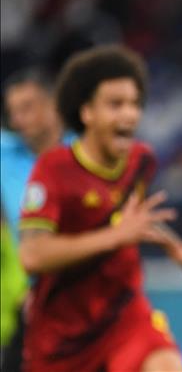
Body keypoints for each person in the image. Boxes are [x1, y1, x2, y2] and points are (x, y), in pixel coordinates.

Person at [18, 44, 182, 372]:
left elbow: (132, 218)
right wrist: (115, 236)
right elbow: (32, 255)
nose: (129, 115)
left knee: (166, 364)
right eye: (115, 104)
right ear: (86, 112)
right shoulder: (53, 170)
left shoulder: (141, 160)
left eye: (135, 104)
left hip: (124, 314)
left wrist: (179, 251)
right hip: (61, 335)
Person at [0, 67, 77, 372]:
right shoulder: (5, 153)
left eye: (27, 108)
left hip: (79, 292)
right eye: (13, 112)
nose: (18, 120)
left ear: (53, 103)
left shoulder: (84, 152)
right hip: (25, 297)